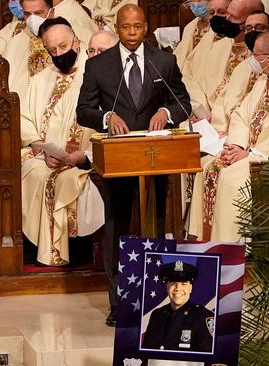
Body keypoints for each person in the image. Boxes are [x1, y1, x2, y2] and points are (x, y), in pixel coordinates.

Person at [76, 4, 191, 326]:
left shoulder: (164, 61)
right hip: (119, 159)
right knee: (117, 227)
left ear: (146, 27)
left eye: (137, 27)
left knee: (156, 223)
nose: (131, 34)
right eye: (125, 27)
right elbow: (83, 109)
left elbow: (182, 101)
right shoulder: (99, 66)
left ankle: (160, 299)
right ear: (117, 26)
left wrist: (166, 114)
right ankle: (120, 304)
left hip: (155, 157)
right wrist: (106, 116)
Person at [187, 31, 269, 242]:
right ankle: (204, 242)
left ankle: (231, 246)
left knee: (230, 181)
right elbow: (241, 116)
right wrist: (235, 146)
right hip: (244, 151)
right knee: (206, 170)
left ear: (268, 60)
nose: (251, 58)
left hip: (265, 157)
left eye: (255, 54)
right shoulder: (263, 81)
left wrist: (249, 154)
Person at [19, 17, 104, 266]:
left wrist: (83, 154)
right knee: (25, 167)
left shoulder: (96, 75)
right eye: (52, 50)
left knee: (56, 179)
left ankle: (65, 250)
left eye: (63, 47)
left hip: (82, 157)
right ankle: (34, 245)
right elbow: (24, 117)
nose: (58, 54)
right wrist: (37, 144)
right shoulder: (40, 79)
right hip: (46, 155)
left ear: (77, 42)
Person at [0, 0, 97, 82]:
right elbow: (10, 61)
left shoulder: (71, 30)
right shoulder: (19, 33)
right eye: (28, 14)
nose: (32, 19)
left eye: (38, 13)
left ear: (51, 13)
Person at [181, 0, 263, 116]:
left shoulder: (262, 55)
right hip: (209, 116)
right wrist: (203, 113)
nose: (227, 20)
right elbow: (198, 82)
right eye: (227, 14)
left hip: (239, 118)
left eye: (232, 16)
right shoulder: (219, 46)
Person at [142, 261, 214, 352]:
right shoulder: (157, 315)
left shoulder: (203, 316)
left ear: (190, 288)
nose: (177, 288)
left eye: (183, 284)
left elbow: (207, 358)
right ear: (167, 287)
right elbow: (146, 352)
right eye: (172, 283)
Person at [173, 0, 212, 70]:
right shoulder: (189, 27)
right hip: (187, 71)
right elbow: (180, 54)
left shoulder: (218, 28)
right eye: (193, 0)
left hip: (207, 69)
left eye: (199, 0)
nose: (196, 3)